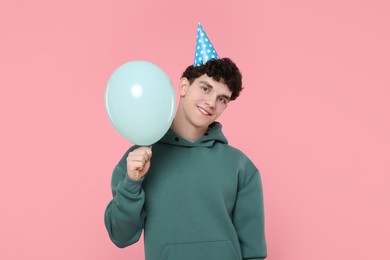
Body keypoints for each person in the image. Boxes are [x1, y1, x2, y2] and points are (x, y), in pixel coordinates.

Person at [104, 24, 267, 260]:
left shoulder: (240, 166)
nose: (211, 102)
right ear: (183, 86)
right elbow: (120, 236)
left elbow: (254, 251)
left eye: (222, 99)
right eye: (205, 88)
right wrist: (132, 183)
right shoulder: (139, 159)